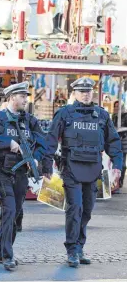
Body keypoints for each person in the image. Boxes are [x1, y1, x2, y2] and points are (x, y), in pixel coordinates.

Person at [43, 77, 122, 268]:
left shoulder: (102, 115)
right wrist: (45, 166)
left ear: (93, 93)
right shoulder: (64, 114)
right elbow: (51, 140)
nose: (86, 94)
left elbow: (113, 142)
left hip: (93, 169)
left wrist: (118, 164)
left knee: (87, 210)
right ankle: (72, 250)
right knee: (75, 208)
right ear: (75, 93)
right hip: (71, 168)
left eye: (89, 91)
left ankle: (79, 246)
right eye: (82, 91)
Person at [0, 82, 46, 271]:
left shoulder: (29, 120)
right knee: (9, 211)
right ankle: (8, 256)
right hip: (1, 172)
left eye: (26, 96)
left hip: (21, 173)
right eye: (22, 96)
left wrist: (35, 158)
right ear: (11, 98)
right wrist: (8, 142)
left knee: (15, 214)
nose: (26, 99)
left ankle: (1, 254)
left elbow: (43, 143)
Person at [112, 101, 127, 191]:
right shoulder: (114, 116)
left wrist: (120, 129)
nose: (117, 108)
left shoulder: (125, 115)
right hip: (115, 141)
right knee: (116, 162)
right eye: (116, 106)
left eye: (118, 106)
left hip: (124, 141)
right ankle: (115, 181)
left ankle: (120, 181)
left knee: (123, 163)